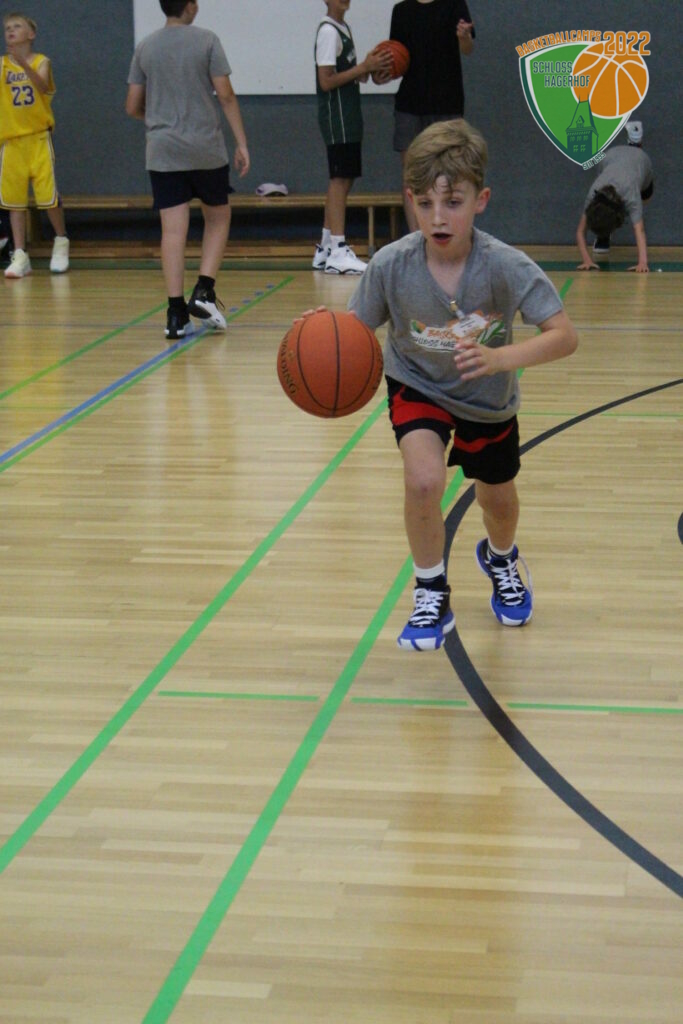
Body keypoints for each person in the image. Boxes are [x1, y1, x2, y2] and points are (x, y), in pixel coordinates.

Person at [347, 120, 578, 650]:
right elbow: (352, 333)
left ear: (481, 200)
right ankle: (431, 591)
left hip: (487, 399)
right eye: (425, 203)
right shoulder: (391, 265)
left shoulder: (505, 266)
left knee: (497, 500)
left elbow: (564, 336)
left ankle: (501, 558)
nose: (438, 217)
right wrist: (322, 335)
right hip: (417, 384)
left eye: (452, 202)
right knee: (423, 481)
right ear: (410, 201)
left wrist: (500, 359)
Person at [126, 0, 250, 340]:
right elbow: (225, 94)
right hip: (205, 147)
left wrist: (158, 119)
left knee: (172, 231)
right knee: (218, 217)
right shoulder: (207, 40)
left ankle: (175, 313)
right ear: (191, 6)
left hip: (163, 151)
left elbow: (132, 105)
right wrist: (241, 142)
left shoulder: (145, 46)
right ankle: (204, 290)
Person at [312, 0, 391, 275]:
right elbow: (326, 80)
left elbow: (347, 74)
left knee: (344, 179)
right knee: (339, 179)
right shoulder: (328, 31)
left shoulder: (342, 28)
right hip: (338, 116)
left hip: (349, 113)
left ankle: (325, 247)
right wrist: (363, 67)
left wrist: (369, 68)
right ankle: (338, 248)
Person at [389, 0, 475, 232]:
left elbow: (467, 48)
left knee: (451, 173)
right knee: (412, 175)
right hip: (410, 103)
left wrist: (464, 37)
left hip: (446, 102)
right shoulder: (401, 10)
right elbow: (396, 58)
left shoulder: (454, 5)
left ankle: (446, 232)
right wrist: (380, 71)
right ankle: (416, 238)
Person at [0, 12, 69, 278]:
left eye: (17, 26)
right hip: (11, 141)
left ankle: (60, 240)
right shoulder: (2, 65)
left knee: (48, 197)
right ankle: (20, 255)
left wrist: (22, 64)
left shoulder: (42, 62)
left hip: (39, 138)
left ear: (31, 34)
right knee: (15, 202)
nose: (10, 30)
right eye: (7, 27)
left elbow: (40, 86)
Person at [576, 121, 653, 273]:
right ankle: (603, 235)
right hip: (608, 158)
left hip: (641, 161)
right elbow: (580, 232)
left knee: (645, 200)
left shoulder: (631, 196)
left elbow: (640, 229)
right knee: (606, 217)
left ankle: (635, 144)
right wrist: (587, 260)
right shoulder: (594, 193)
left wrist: (642, 263)